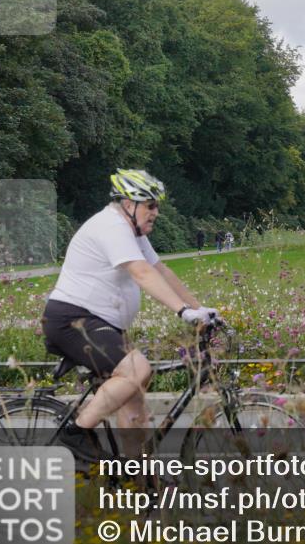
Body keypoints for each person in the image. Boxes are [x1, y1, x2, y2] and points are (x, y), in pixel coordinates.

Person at [42, 169, 217, 459]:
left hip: (99, 324)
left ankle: (136, 479)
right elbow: (142, 273)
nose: (156, 212)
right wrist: (183, 311)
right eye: (151, 205)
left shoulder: (132, 232)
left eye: (156, 206)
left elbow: (161, 271)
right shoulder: (111, 227)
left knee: (135, 405)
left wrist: (200, 310)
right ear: (129, 204)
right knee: (137, 370)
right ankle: (77, 433)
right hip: (73, 321)